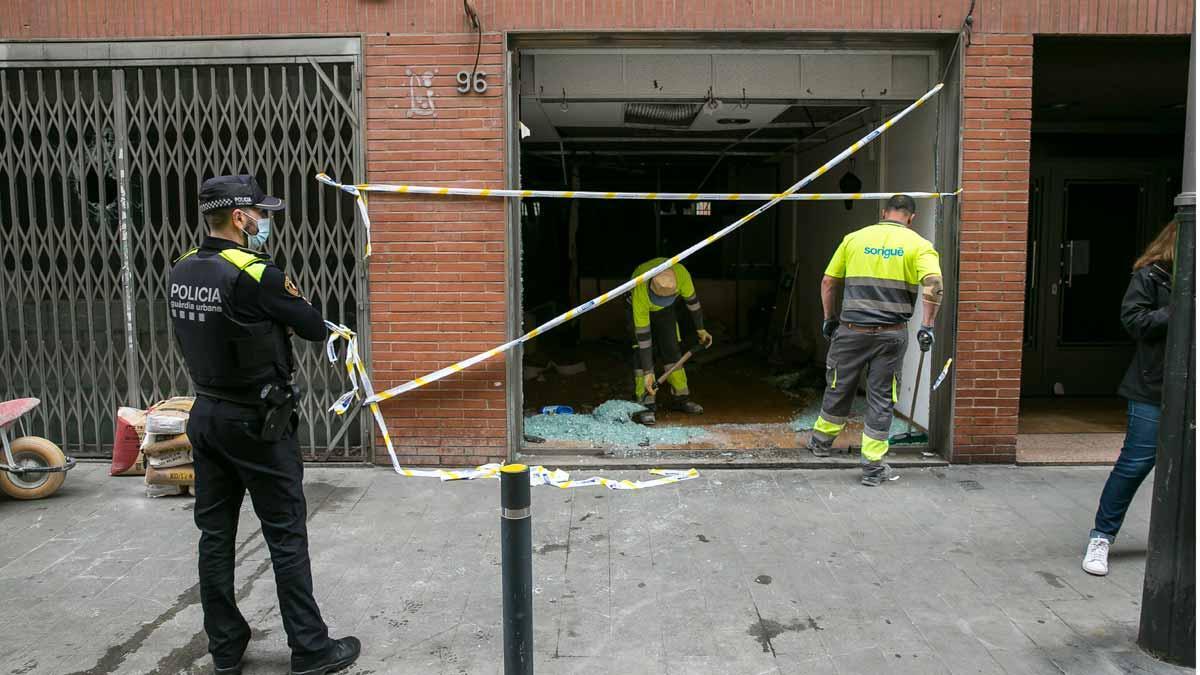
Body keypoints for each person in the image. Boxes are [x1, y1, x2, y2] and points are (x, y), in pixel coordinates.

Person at [169, 175, 361, 675]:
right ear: (239, 217)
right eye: (259, 213)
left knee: (214, 536)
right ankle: (311, 649)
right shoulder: (256, 273)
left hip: (206, 414)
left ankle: (226, 648)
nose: (264, 221)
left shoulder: (182, 269)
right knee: (285, 534)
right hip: (257, 421)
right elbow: (315, 328)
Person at [807, 194, 943, 486]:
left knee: (838, 385)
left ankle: (820, 443)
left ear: (884, 212)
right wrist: (927, 325)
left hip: (851, 331)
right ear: (911, 217)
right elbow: (934, 285)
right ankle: (872, 467)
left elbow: (829, 281)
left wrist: (829, 318)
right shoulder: (919, 245)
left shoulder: (854, 239)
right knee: (881, 397)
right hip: (891, 334)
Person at [1082, 221, 1175, 576]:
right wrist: (1178, 307)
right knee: (1135, 464)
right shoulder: (1152, 276)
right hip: (1153, 386)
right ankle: (1101, 537)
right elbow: (1134, 321)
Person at [627, 258, 714, 426]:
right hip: (636, 307)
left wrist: (700, 329)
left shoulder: (681, 276)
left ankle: (681, 398)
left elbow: (693, 303)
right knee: (642, 352)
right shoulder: (641, 291)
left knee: (672, 349)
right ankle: (646, 404)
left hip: (666, 310)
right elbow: (643, 336)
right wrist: (647, 372)